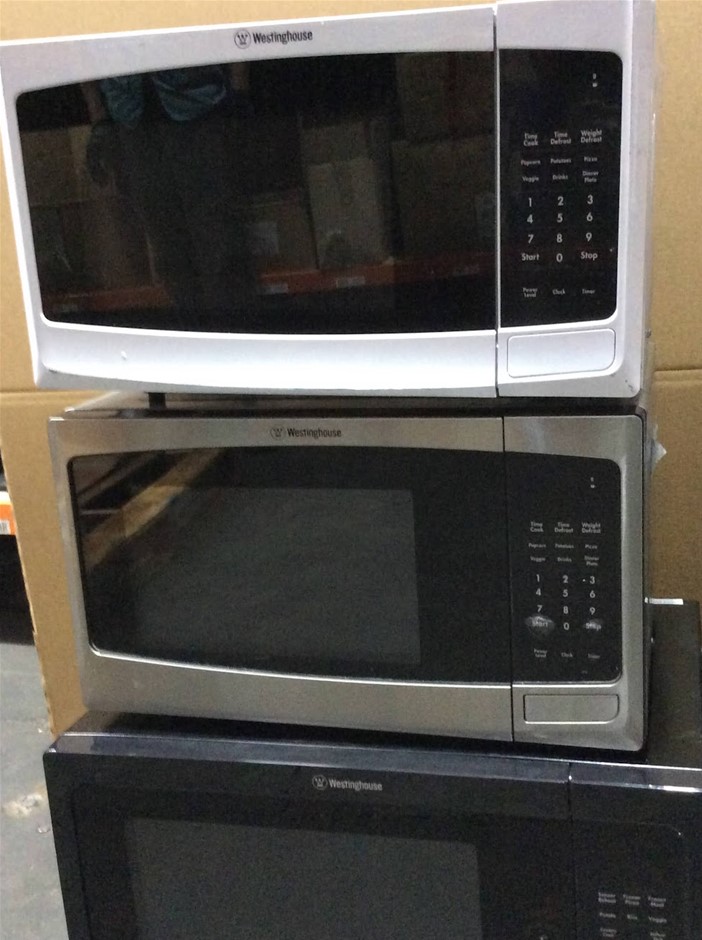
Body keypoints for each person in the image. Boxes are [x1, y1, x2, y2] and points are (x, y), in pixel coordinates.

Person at [82, 64, 255, 328]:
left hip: (199, 106)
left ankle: (233, 335)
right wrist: (99, 118)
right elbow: (80, 49)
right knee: (167, 247)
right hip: (131, 118)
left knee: (219, 240)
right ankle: (192, 335)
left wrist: (240, 92)